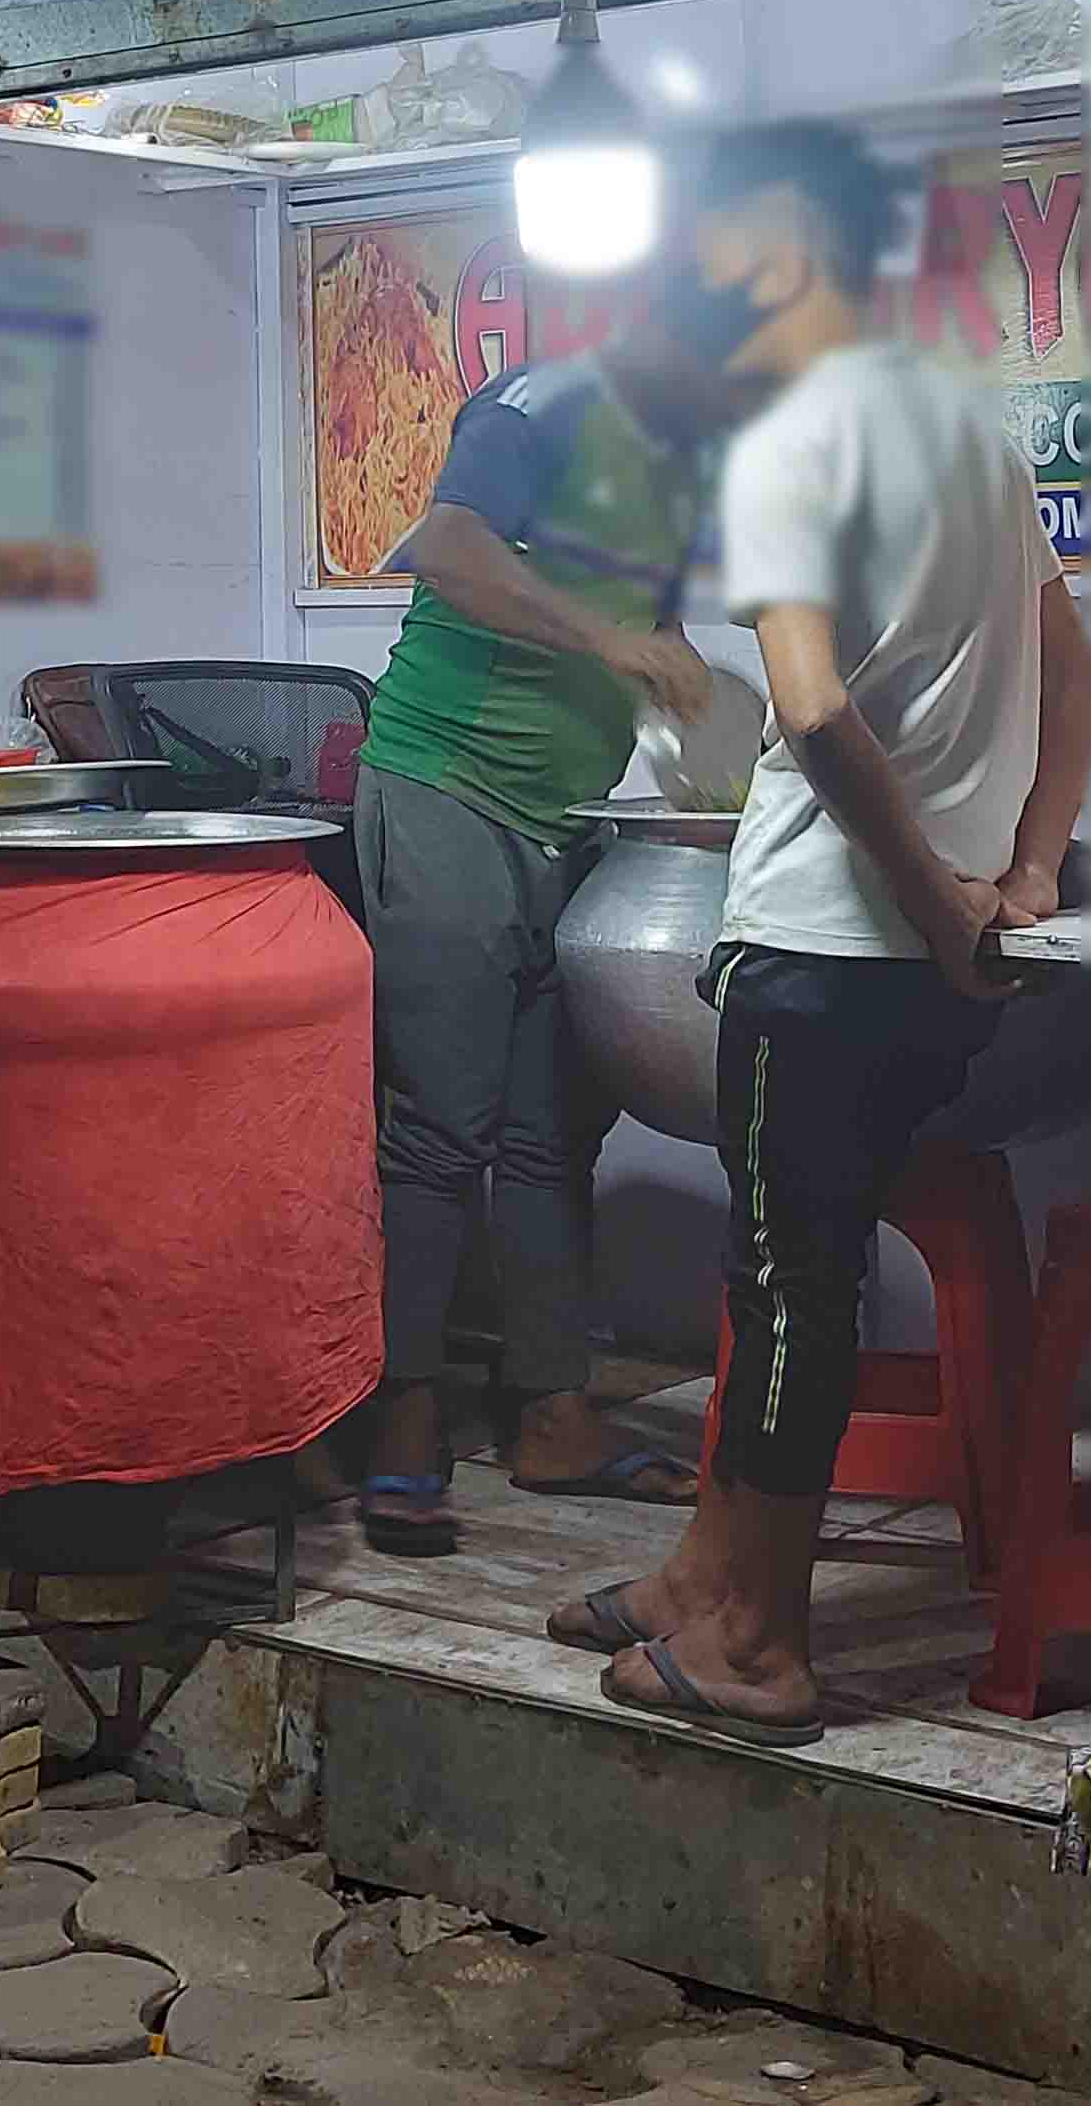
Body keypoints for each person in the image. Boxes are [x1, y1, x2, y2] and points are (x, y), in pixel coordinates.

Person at [548, 121, 1091, 1742]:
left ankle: (762, 1649)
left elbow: (816, 715)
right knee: (781, 1267)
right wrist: (1031, 869)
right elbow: (1081, 660)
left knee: (791, 1287)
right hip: (943, 974)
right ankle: (697, 1581)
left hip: (828, 948)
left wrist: (934, 899)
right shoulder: (961, 423)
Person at [355, 207, 759, 1552]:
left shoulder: (682, 467)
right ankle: (401, 1419)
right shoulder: (545, 406)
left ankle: (554, 1415)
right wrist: (606, 633)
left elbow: (646, 635)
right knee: (442, 1120)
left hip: (566, 813)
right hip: (447, 787)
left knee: (548, 1125)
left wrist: (689, 693)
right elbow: (448, 548)